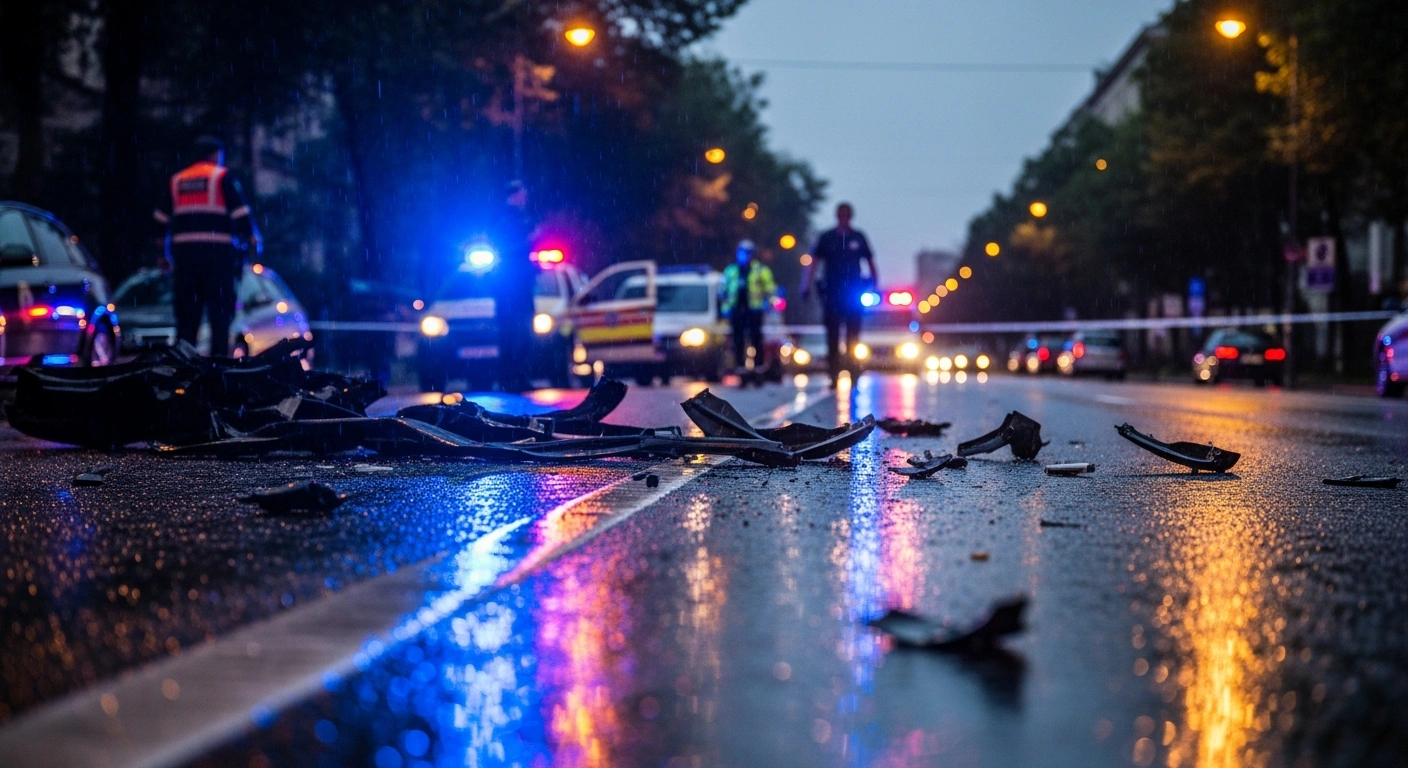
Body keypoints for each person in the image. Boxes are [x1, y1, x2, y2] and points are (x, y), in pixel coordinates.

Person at [153, 136, 260, 356]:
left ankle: (184, 368)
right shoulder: (222, 177)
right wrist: (252, 239)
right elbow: (242, 215)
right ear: (215, 155)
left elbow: (160, 220)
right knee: (220, 318)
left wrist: (162, 254)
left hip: (185, 262)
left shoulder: (177, 181)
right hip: (217, 260)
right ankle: (217, 369)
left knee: (186, 319)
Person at [802, 202, 878, 385]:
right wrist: (805, 285)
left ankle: (853, 371)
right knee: (833, 336)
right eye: (841, 214)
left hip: (853, 292)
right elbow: (814, 262)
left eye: (847, 214)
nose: (844, 218)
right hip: (832, 293)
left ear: (851, 216)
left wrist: (875, 283)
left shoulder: (858, 237)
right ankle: (834, 374)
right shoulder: (827, 238)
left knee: (853, 336)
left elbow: (870, 261)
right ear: (837, 216)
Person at [493, 181, 536, 392]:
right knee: (515, 334)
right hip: (513, 290)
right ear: (515, 195)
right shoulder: (509, 219)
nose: (525, 198)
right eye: (522, 194)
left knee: (517, 334)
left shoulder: (513, 218)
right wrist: (530, 239)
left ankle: (515, 377)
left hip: (513, 289)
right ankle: (512, 378)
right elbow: (509, 251)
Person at [720, 239, 778, 377]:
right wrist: (726, 308)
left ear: (752, 254)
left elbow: (770, 291)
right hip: (737, 310)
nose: (743, 256)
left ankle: (758, 368)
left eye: (746, 253)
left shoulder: (761, 271)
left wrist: (768, 304)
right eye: (741, 252)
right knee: (738, 340)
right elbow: (724, 291)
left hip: (754, 310)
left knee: (756, 339)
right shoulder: (731, 271)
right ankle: (740, 368)